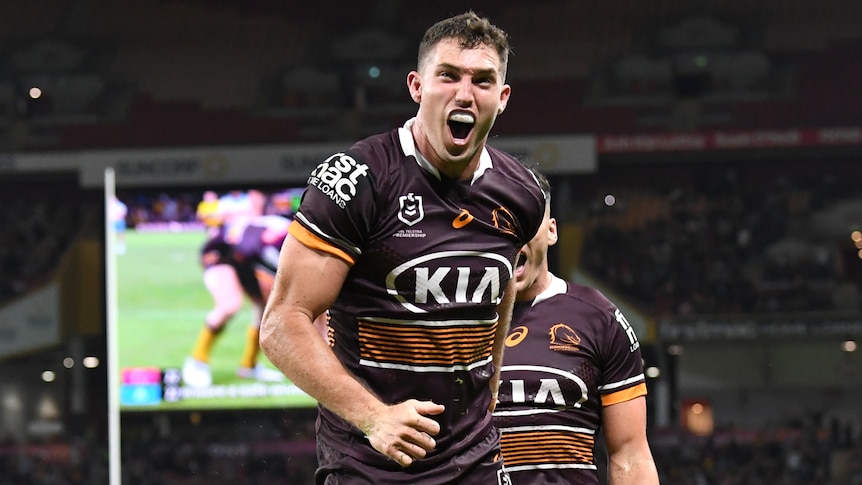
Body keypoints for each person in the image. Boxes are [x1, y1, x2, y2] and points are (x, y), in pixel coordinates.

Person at [259, 11, 546, 484]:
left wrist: (491, 384)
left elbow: (504, 288)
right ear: (416, 86)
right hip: (369, 466)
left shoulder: (521, 193)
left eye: (482, 80)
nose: (464, 94)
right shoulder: (356, 181)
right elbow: (281, 324)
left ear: (503, 97)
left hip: (474, 462)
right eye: (448, 75)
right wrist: (374, 417)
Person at [492, 169, 660, 484]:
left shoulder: (599, 319)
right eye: (500, 220)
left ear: (551, 231)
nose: (512, 234)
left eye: (526, 220)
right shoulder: (454, 320)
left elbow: (630, 455)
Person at [182, 190, 288, 388]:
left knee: (266, 310)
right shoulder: (273, 228)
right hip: (223, 257)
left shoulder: (275, 225)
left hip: (248, 262)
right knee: (230, 305)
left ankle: (248, 366)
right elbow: (249, 247)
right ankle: (197, 361)